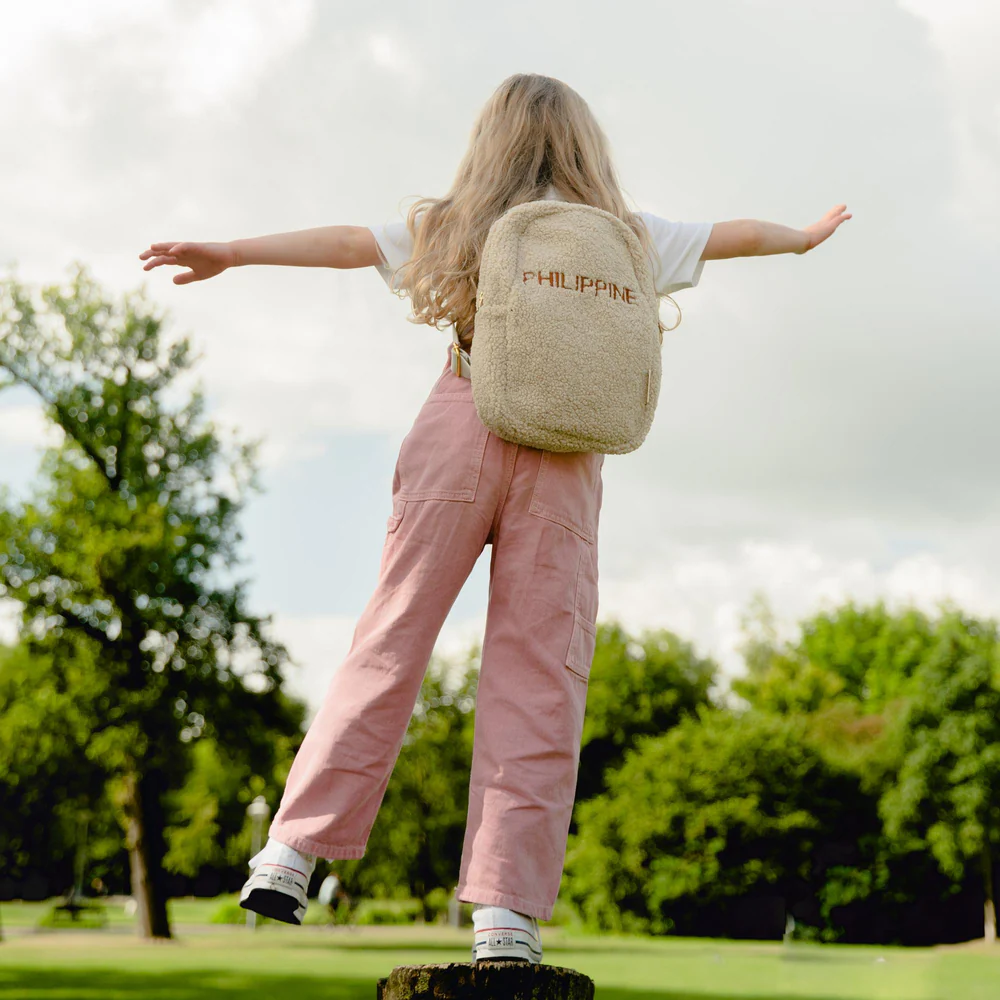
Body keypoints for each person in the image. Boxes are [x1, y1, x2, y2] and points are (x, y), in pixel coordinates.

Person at [139, 73, 850, 963]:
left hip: (461, 423)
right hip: (564, 453)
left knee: (390, 635)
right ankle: (506, 915)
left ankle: (292, 852)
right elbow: (738, 235)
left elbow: (349, 243)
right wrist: (805, 240)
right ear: (587, 147)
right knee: (540, 673)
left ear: (491, 144)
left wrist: (233, 252)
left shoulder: (458, 222)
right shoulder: (626, 237)